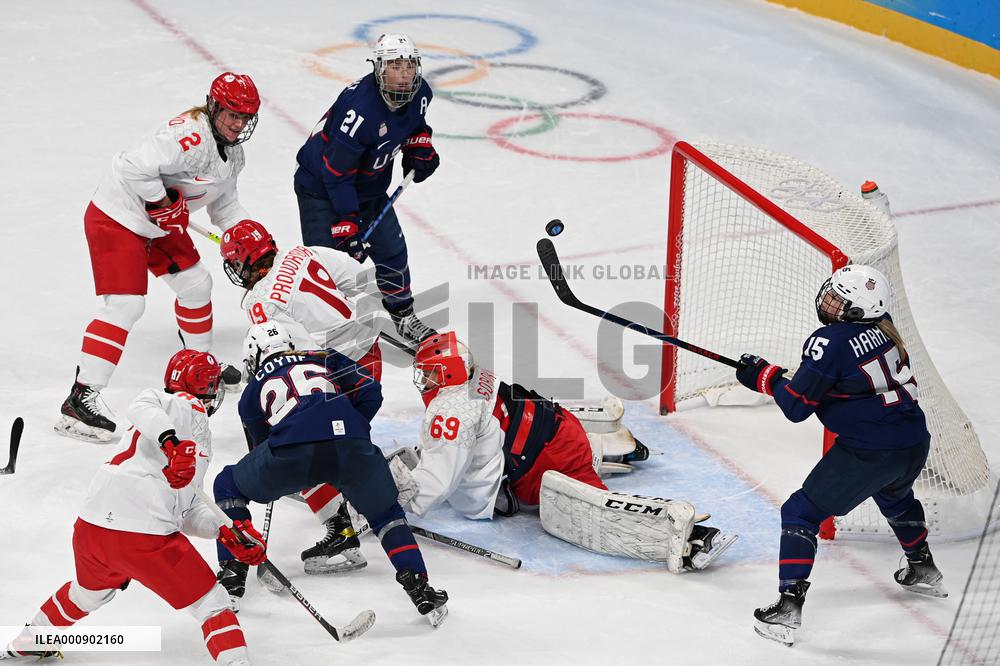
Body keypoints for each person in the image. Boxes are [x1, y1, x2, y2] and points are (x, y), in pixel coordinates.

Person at [384, 331, 737, 574]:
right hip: (561, 427)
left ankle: (693, 538)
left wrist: (388, 503)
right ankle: (614, 447)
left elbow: (438, 483)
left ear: (448, 375)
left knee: (591, 513)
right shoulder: (476, 378)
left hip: (548, 463)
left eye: (430, 375)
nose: (424, 382)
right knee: (527, 440)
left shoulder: (450, 410)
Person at [3, 351, 264, 665]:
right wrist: (171, 441)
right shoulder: (183, 406)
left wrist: (226, 531)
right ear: (205, 387)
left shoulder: (168, 426)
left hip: (91, 531)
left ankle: (30, 643)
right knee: (213, 605)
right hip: (144, 538)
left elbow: (187, 510)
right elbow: (142, 404)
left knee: (86, 595)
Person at [734, 264, 946, 646]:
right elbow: (850, 383)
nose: (827, 302)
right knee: (895, 496)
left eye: (838, 299)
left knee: (800, 512)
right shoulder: (885, 327)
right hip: (913, 440)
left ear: (855, 311)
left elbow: (797, 407)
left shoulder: (829, 341)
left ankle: (786, 610)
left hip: (870, 451)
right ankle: (923, 568)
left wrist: (765, 377)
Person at [56, 72, 261, 443]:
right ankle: (81, 396)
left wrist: (246, 234)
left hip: (157, 226)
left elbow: (225, 205)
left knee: (197, 284)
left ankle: (200, 366)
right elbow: (132, 166)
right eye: (232, 114)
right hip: (118, 217)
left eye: (245, 117)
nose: (238, 123)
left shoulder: (233, 155)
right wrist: (162, 202)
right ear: (213, 107)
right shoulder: (187, 136)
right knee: (125, 305)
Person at [211, 321, 449, 627]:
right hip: (353, 447)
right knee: (386, 514)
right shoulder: (324, 357)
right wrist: (349, 430)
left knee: (228, 485)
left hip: (294, 453)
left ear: (254, 354)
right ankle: (420, 589)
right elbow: (372, 393)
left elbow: (261, 446)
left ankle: (232, 578)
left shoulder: (251, 392)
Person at [219, 218, 387, 574]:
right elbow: (361, 278)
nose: (235, 271)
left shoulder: (260, 302)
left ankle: (344, 520)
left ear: (247, 260)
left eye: (235, 262)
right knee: (338, 438)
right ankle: (366, 481)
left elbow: (294, 355)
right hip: (370, 350)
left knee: (301, 435)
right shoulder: (301, 252)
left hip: (337, 366)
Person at [293, 33, 440, 346]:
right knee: (328, 268)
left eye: (409, 64)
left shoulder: (421, 93)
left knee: (392, 251)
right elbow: (335, 172)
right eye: (395, 65)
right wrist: (347, 221)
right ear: (379, 69)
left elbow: (415, 125)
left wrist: (419, 145)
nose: (404, 73)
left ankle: (403, 316)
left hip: (370, 189)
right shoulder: (359, 110)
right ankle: (321, 335)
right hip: (321, 189)